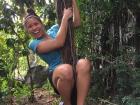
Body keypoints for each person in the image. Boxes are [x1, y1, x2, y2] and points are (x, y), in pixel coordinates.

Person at [24, 0, 91, 105]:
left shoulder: (55, 29)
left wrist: (73, 1)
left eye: (36, 24)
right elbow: (58, 42)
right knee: (66, 69)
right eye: (30, 27)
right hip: (57, 73)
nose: (34, 28)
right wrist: (65, 17)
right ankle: (66, 103)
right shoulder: (34, 43)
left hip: (72, 65)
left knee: (84, 63)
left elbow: (76, 23)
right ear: (27, 30)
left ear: (41, 24)